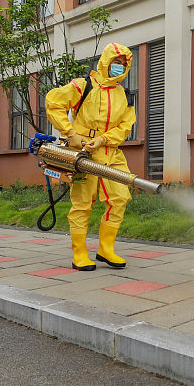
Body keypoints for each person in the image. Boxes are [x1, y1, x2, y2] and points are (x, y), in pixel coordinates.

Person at [45, 43, 136, 271]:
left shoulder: (123, 94)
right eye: (116, 62)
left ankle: (106, 249)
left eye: (123, 65)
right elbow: (54, 103)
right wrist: (71, 132)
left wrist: (104, 139)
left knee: (120, 197)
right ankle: (80, 254)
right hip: (83, 151)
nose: (119, 67)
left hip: (111, 152)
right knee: (83, 203)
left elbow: (126, 124)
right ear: (105, 61)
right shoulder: (83, 86)